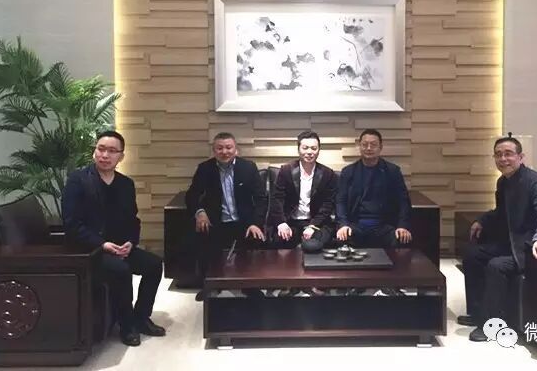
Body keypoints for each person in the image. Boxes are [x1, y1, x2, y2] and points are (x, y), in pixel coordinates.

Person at [62, 131, 166, 347]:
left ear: (121, 156)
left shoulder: (125, 184)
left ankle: (141, 317)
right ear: (94, 151)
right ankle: (126, 325)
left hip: (120, 246)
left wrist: (131, 242)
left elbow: (133, 220)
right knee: (121, 270)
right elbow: (72, 224)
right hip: (91, 250)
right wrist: (102, 244)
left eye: (111, 151)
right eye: (101, 149)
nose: (105, 155)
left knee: (155, 265)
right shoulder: (78, 181)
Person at [459, 133, 537, 342]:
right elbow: (501, 212)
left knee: (496, 265)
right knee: (471, 254)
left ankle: (491, 324)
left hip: (527, 248)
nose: (503, 159)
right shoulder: (503, 182)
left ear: (520, 157)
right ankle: (478, 312)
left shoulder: (534, 181)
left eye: (508, 154)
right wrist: (482, 220)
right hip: (510, 242)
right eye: (498, 154)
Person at [185, 132, 267, 300]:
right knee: (201, 239)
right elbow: (191, 195)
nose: (224, 152)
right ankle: (210, 285)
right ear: (214, 151)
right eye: (220, 148)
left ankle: (250, 286)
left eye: (229, 147)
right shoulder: (205, 169)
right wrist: (200, 212)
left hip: (244, 223)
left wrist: (255, 223)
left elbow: (261, 198)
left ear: (236, 150)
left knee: (255, 240)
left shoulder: (248, 168)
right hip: (216, 221)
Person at [335, 129, 412, 248]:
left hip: (384, 225)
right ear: (359, 147)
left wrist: (402, 226)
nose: (369, 148)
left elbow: (403, 201)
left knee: (401, 239)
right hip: (356, 224)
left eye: (373, 145)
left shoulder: (392, 171)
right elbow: (340, 201)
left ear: (381, 147)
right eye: (365, 144)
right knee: (342, 238)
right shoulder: (348, 172)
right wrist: (343, 224)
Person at [267, 130, 337, 252]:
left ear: (318, 150)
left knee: (312, 246)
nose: (309, 152)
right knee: (279, 240)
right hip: (291, 221)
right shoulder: (286, 171)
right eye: (305, 148)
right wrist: (281, 223)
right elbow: (277, 199)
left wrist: (313, 225)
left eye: (314, 148)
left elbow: (328, 204)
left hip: (316, 222)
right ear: (298, 149)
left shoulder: (327, 174)